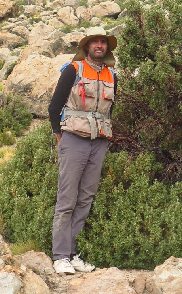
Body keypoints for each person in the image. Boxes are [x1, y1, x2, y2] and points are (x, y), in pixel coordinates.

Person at [48, 27, 118, 274]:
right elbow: (54, 107)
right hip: (73, 139)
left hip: (99, 142)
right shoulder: (73, 70)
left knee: (86, 198)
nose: (99, 45)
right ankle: (60, 256)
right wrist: (60, 136)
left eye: (103, 42)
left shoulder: (112, 76)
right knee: (67, 198)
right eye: (95, 42)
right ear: (87, 46)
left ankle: (72, 253)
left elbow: (109, 111)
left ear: (107, 47)